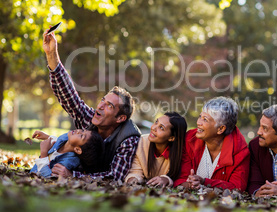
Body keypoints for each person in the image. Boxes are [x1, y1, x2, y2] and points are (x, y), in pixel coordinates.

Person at [42, 28, 141, 181]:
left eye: (110, 106)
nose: (100, 106)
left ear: (120, 118)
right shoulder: (91, 119)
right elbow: (69, 95)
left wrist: (74, 176)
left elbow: (115, 175)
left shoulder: (128, 139)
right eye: (103, 100)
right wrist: (51, 54)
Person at [174, 97, 250, 191]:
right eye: (199, 117)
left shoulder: (240, 151)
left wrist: (204, 182)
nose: (198, 122)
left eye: (205, 119)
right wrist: (190, 184)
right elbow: (180, 178)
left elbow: (237, 187)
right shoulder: (190, 139)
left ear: (220, 129)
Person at [125, 112, 187, 187]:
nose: (153, 128)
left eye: (161, 128)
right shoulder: (141, 142)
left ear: (171, 138)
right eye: (156, 122)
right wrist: (133, 180)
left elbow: (180, 177)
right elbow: (135, 172)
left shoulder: (179, 153)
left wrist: (166, 179)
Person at [30, 129, 103, 178]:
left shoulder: (68, 161)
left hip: (36, 176)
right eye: (82, 130)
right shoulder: (66, 137)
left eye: (81, 136)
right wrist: (47, 137)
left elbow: (49, 177)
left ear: (77, 149)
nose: (78, 131)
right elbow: (58, 140)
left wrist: (43, 154)